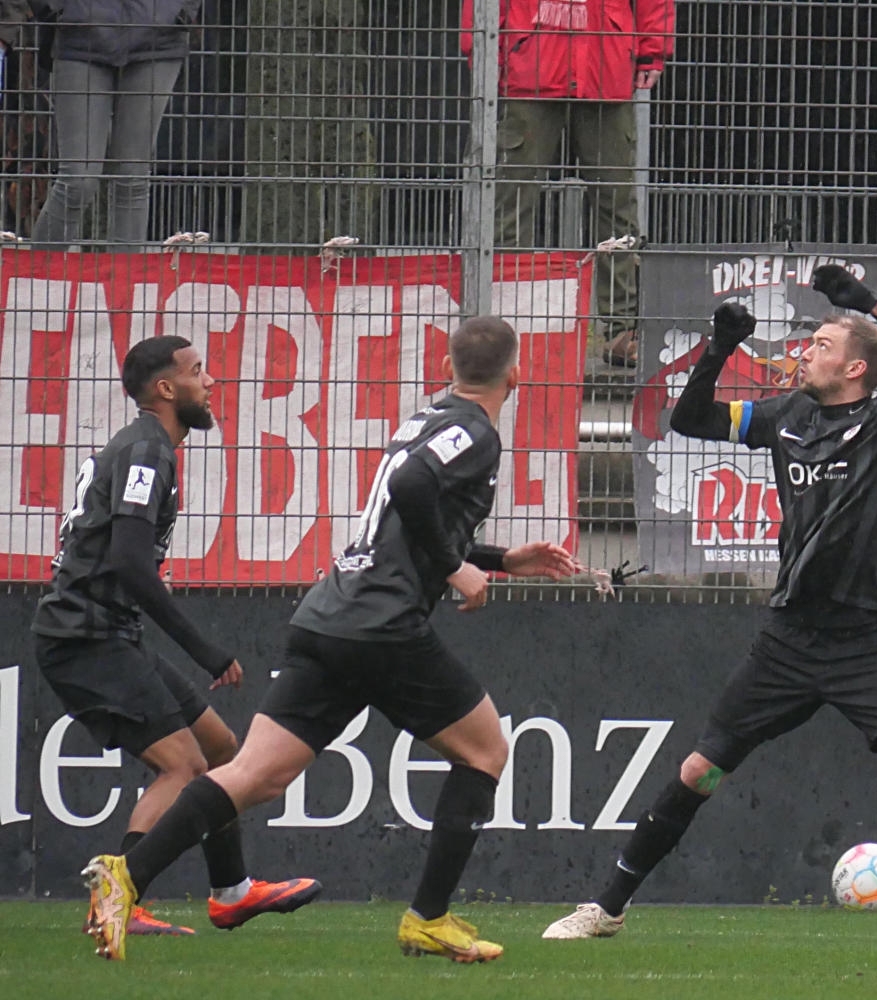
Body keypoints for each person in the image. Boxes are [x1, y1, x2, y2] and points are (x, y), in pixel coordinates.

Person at [79, 316, 580, 962]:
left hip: (329, 615)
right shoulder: (476, 432)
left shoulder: (427, 418)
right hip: (382, 625)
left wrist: (499, 559)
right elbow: (411, 488)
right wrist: (455, 567)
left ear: (448, 369)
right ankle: (429, 918)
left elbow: (402, 516)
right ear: (516, 375)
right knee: (485, 750)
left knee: (254, 774)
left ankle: (128, 874)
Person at [541, 265, 877, 947]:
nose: (804, 352)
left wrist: (870, 304)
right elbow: (690, 418)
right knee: (700, 770)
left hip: (864, 640)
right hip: (788, 640)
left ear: (855, 367)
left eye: (820, 344)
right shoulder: (786, 416)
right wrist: (719, 348)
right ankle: (606, 907)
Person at [33, 336, 320, 949]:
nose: (210, 381)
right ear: (165, 389)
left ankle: (232, 892)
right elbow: (130, 564)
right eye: (197, 371)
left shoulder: (147, 446)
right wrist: (204, 649)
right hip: (84, 636)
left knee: (220, 748)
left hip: (107, 630)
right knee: (183, 766)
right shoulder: (147, 452)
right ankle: (122, 898)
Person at [460, 0, 676, 368]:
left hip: (577, 62)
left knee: (612, 206)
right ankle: (504, 327)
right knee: (511, 204)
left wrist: (652, 50)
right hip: (539, 64)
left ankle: (619, 329)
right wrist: (482, 49)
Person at [26, 0, 197, 249]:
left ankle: (123, 274)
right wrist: (57, 8)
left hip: (159, 34)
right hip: (80, 34)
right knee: (78, 180)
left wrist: (181, 11)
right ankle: (38, 271)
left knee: (132, 177)